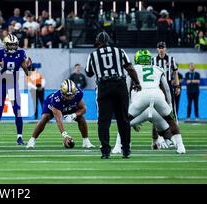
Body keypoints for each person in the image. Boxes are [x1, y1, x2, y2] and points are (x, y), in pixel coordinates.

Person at [111, 49, 185, 154]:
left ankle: (118, 146)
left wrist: (125, 108)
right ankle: (180, 145)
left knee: (124, 121)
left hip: (141, 100)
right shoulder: (158, 68)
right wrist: (169, 106)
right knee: (170, 123)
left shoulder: (133, 69)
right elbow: (167, 89)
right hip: (157, 98)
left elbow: (126, 90)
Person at [85, 31, 142, 159]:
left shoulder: (93, 55)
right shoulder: (119, 51)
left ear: (98, 43)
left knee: (103, 121)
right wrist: (137, 82)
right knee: (123, 119)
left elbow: (88, 73)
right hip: (119, 85)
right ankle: (126, 149)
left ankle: (105, 150)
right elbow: (130, 68)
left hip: (104, 87)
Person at [26, 79, 95, 149]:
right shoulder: (56, 99)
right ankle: (32, 140)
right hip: (51, 105)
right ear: (62, 93)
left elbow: (83, 109)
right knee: (45, 118)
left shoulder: (78, 93)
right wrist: (65, 135)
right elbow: (58, 120)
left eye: (71, 95)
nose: (70, 97)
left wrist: (73, 115)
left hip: (67, 106)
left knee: (81, 117)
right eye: (67, 96)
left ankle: (86, 141)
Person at [0, 33, 31, 146]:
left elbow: (27, 72)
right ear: (6, 45)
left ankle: (19, 137)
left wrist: (29, 67)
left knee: (17, 111)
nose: (13, 47)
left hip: (13, 85)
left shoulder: (21, 53)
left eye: (14, 45)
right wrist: (0, 66)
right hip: (1, 84)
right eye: (10, 45)